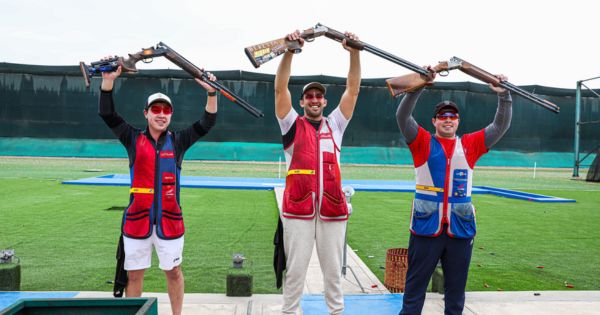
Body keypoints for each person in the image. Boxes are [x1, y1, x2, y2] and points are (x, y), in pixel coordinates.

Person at [98, 61, 218, 315]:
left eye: (166, 110)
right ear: (146, 113)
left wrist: (211, 92)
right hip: (137, 221)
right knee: (134, 276)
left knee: (173, 272)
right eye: (156, 109)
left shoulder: (179, 141)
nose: (161, 114)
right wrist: (107, 82)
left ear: (170, 115)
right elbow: (108, 115)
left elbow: (207, 122)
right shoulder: (132, 138)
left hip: (170, 222)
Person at [395, 70, 512, 315]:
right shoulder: (422, 142)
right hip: (426, 229)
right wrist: (418, 86)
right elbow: (403, 116)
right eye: (442, 116)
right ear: (434, 121)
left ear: (457, 121)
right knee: (414, 291)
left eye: (453, 116)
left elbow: (500, 125)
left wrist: (505, 96)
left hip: (459, 229)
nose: (448, 119)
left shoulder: (470, 144)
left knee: (456, 295)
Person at [274, 30, 361, 315]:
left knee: (334, 275)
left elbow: (353, 89)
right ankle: (289, 312)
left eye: (319, 96)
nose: (314, 99)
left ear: (325, 102)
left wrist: (354, 53)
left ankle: (336, 312)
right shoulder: (290, 124)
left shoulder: (336, 125)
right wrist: (289, 51)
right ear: (302, 102)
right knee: (295, 274)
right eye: (309, 96)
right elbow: (280, 89)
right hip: (297, 211)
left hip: (332, 210)